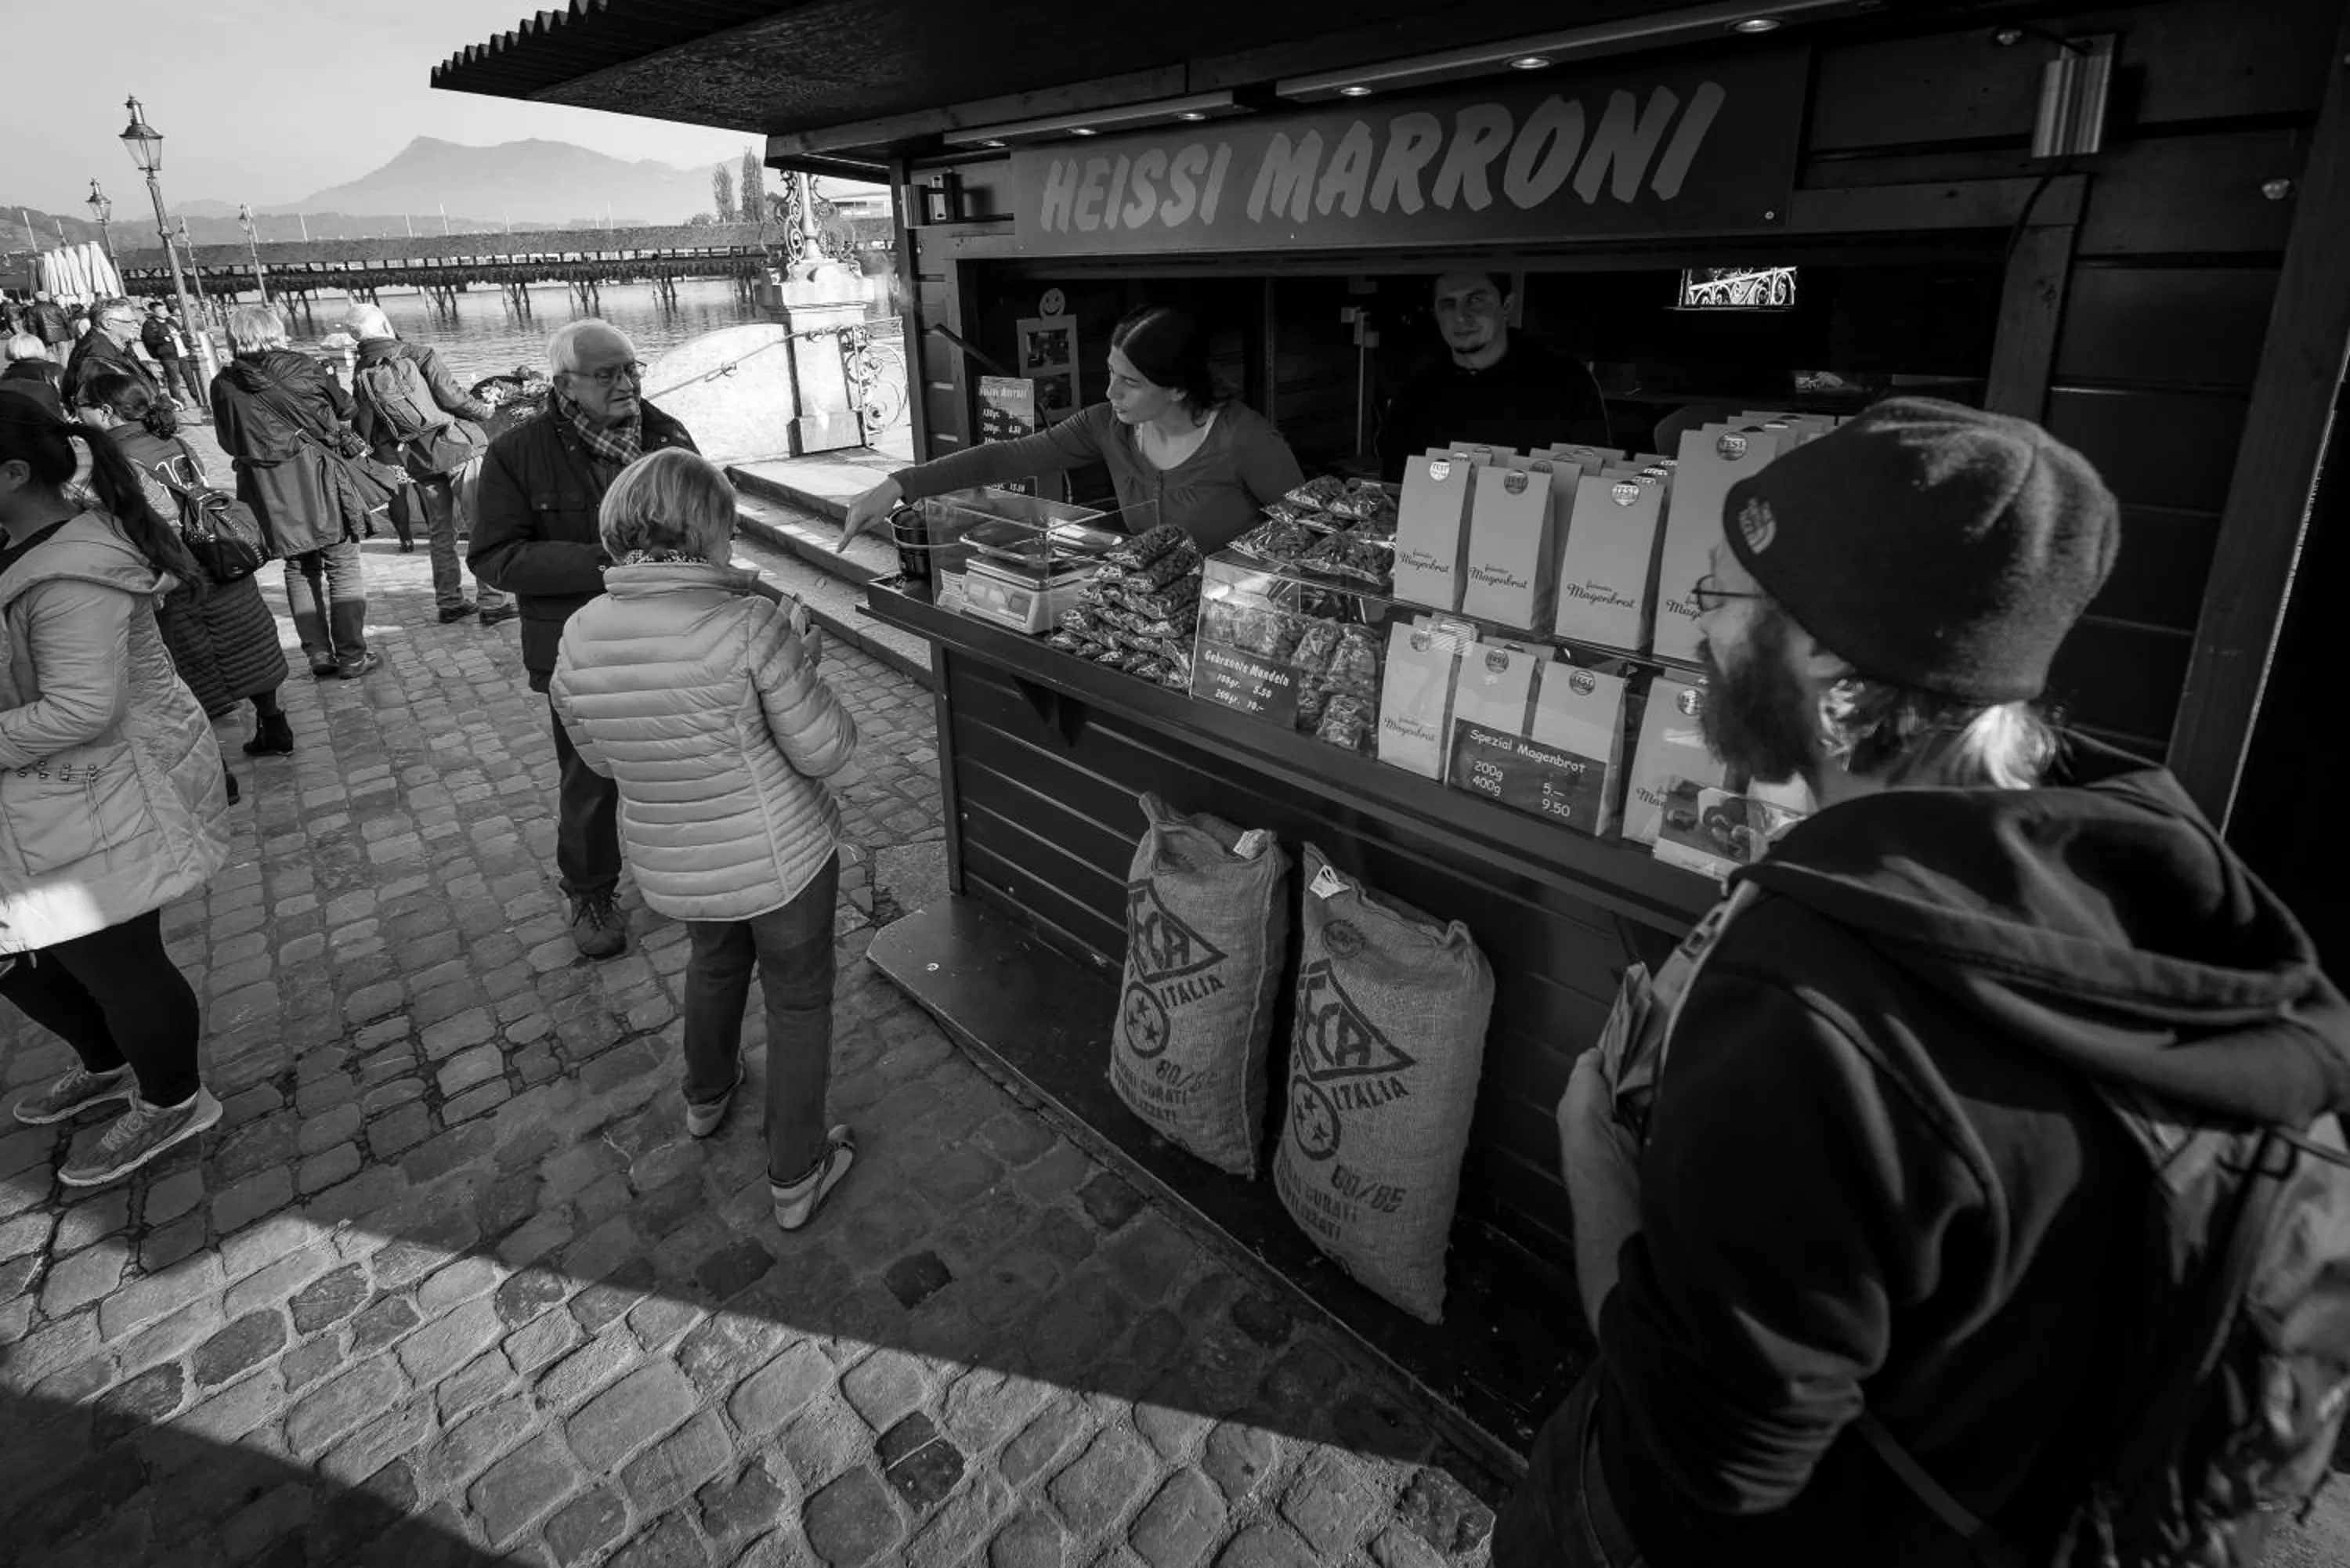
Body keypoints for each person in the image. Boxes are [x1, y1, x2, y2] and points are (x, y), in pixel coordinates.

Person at [1491, 399, 2350, 1568]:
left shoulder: (1812, 1000)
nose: (1698, 633)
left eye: (1718, 601)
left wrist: (1591, 1151)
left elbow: (1709, 1456)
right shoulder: (2144, 869)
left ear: (1829, 662)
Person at [551, 449, 861, 1230]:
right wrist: (804, 665)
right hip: (781, 858)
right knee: (798, 1000)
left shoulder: (579, 633)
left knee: (714, 964)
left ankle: (707, 1094)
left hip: (675, 858)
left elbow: (600, 759)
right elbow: (826, 750)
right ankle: (797, 1171)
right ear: (706, 528)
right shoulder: (750, 625)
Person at [0, 386, 231, 1187]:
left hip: (95, 792)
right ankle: (105, 1061)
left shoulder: (71, 574)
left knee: (114, 958)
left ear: (13, 473)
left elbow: (83, 708)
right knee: (27, 948)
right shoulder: (25, 548)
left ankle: (172, 1099)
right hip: (42, 793)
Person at [472, 319, 698, 959]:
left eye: (631, 369)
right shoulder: (516, 453)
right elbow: (494, 558)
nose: (626, 383)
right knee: (590, 779)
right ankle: (591, 891)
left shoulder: (668, 436)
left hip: (672, 635)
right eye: (607, 374)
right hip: (581, 650)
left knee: (680, 764)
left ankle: (684, 869)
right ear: (565, 384)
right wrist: (607, 562)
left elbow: (706, 521)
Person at [839, 304, 1304, 555]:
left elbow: (1309, 537)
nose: (1111, 392)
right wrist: (900, 483)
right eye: (1112, 372)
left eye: (1131, 383)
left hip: (1233, 633)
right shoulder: (1106, 425)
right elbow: (1008, 456)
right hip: (1153, 622)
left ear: (1178, 388)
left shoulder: (1245, 440)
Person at [78, 370, 293, 764]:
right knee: (247, 641)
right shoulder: (172, 439)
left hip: (174, 565)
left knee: (191, 663)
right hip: (219, 554)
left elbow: (135, 516)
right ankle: (273, 722)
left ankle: (219, 767)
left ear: (106, 411)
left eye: (82, 406)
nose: (78, 414)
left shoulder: (110, 458)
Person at [211, 303, 380, 681]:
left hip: (267, 488)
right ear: (275, 331)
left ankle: (318, 652)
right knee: (342, 564)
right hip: (318, 477)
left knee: (299, 566)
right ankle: (352, 654)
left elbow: (227, 441)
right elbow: (347, 408)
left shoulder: (223, 383)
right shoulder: (304, 366)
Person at [345, 302, 513, 627]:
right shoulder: (418, 354)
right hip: (456, 448)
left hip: (418, 459)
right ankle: (493, 601)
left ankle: (449, 602)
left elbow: (366, 428)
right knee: (481, 523)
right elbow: (453, 398)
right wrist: (485, 411)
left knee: (440, 531)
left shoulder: (361, 372)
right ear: (386, 325)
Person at [1377, 272, 1612, 479]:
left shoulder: (1567, 382)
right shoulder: (1415, 394)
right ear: (1436, 314)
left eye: (1475, 300)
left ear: (1507, 305)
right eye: (1448, 304)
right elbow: (1396, 486)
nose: (1461, 317)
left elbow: (1592, 481)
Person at [63, 297, 159, 409]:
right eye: (131, 322)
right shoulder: (96, 355)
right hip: (126, 414)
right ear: (107, 324)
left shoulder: (117, 345)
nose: (137, 326)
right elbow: (107, 401)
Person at [140, 301, 206, 414]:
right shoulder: (150, 324)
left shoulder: (170, 320)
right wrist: (165, 339)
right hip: (168, 356)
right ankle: (180, 403)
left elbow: (181, 333)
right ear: (153, 312)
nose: (164, 312)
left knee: (191, 379)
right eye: (160, 310)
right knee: (175, 380)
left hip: (182, 353)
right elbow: (150, 340)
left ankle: (200, 401)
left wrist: (187, 344)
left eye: (164, 309)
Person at [29, 293, 72, 362]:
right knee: (63, 353)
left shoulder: (32, 310)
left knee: (49, 353)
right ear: (47, 298)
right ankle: (65, 367)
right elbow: (66, 321)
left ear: (36, 299)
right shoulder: (56, 307)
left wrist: (35, 337)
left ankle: (54, 366)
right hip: (60, 334)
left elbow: (31, 326)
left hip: (44, 335)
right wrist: (70, 333)